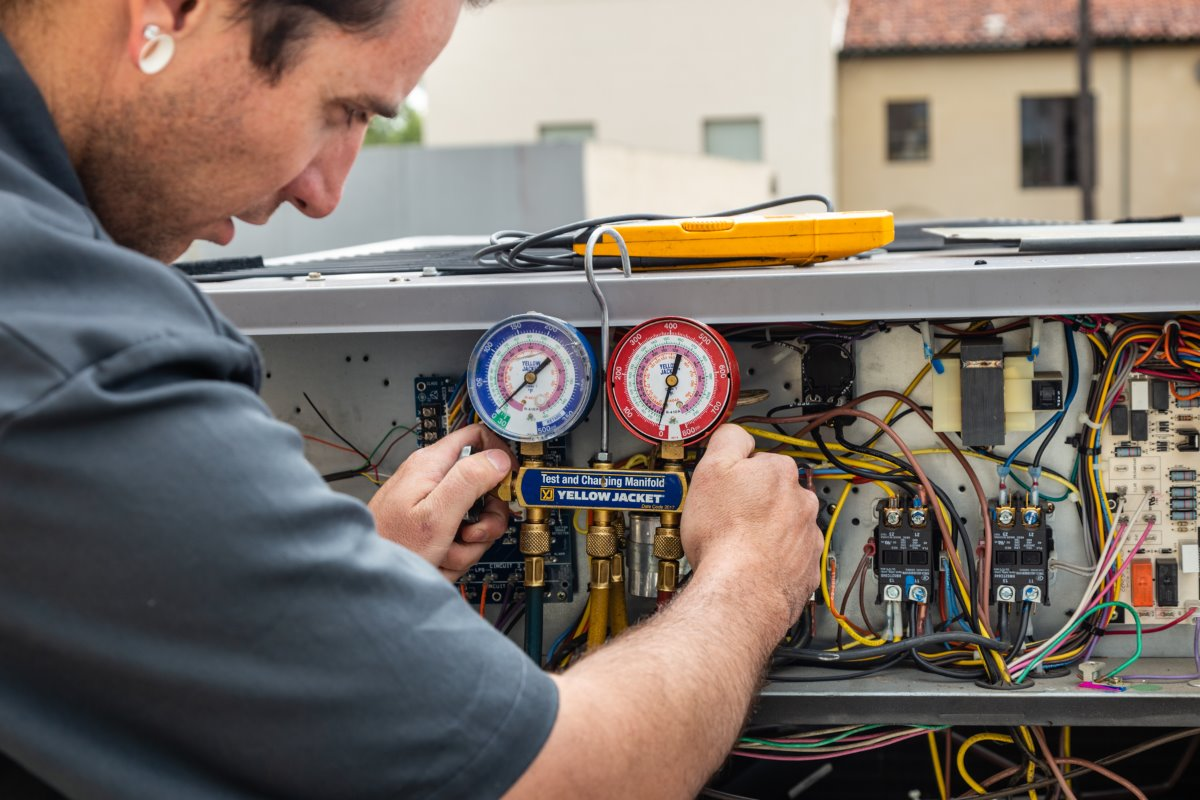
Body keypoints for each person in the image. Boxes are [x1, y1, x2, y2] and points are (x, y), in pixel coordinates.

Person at [0, 1, 822, 797]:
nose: (324, 193)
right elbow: (566, 781)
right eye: (343, 109)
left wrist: (344, 588)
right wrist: (749, 579)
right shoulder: (78, 350)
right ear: (174, 8)